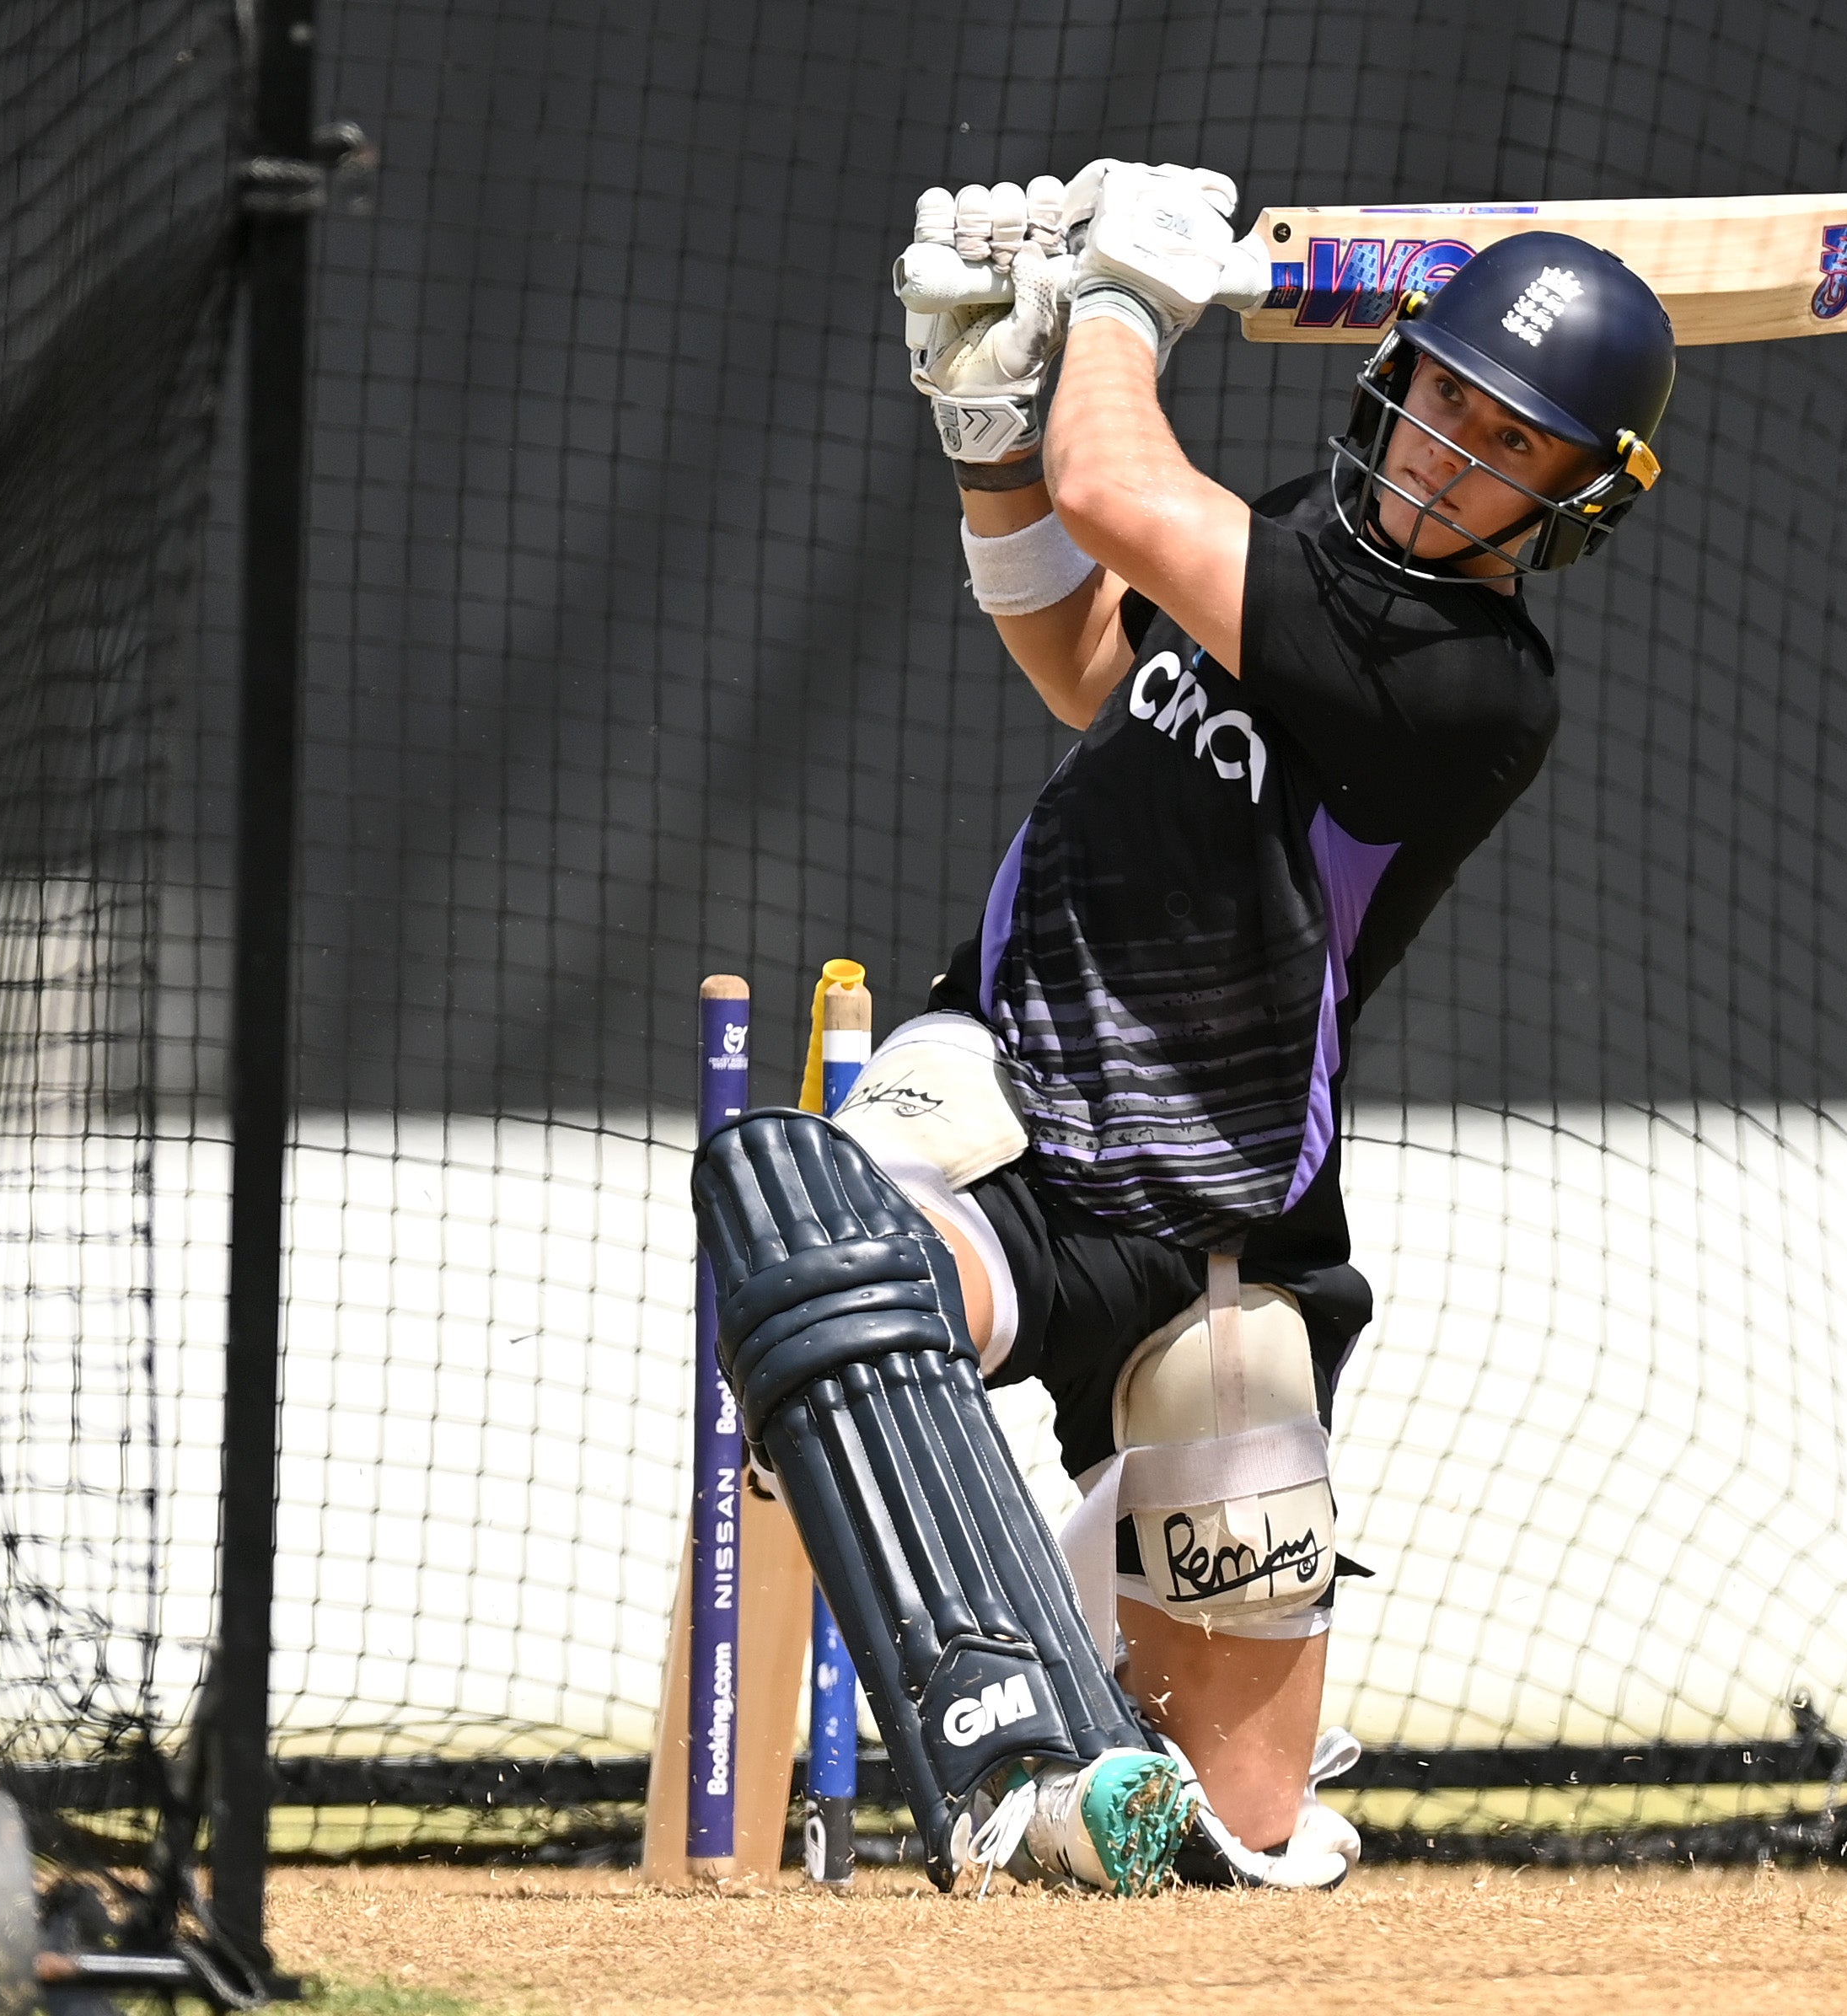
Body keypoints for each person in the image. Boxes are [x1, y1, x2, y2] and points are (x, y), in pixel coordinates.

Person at [692, 160, 1673, 1896]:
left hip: (1218, 1231)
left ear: (1569, 502)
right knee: (813, 1227)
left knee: (1246, 1834)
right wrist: (993, 431)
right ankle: (1008, 1764)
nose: (1452, 449)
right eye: (1447, 394)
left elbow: (1114, 479)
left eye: (1510, 441)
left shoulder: (1468, 681)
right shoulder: (1299, 529)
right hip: (1004, 1094)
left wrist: (1127, 303)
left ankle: (1090, 1731)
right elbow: (1090, 658)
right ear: (1398, 373)